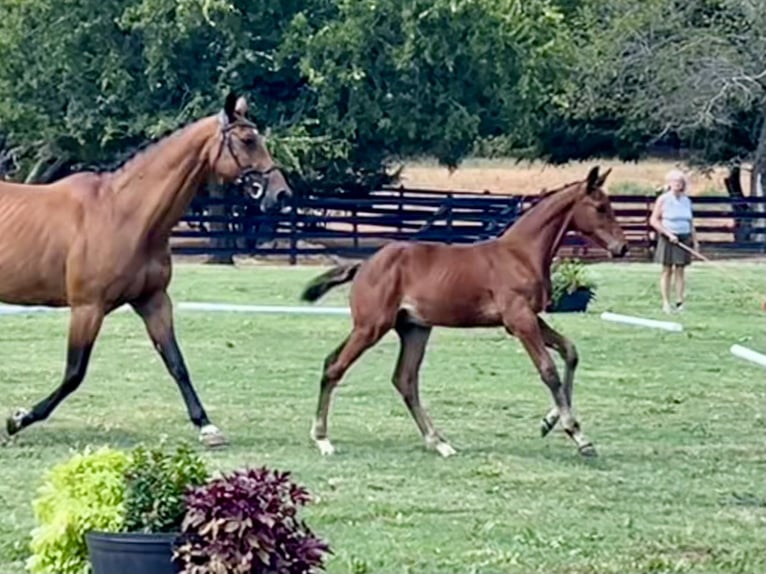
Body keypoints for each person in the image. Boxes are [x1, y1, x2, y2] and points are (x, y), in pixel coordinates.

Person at [649, 168, 699, 313]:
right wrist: (668, 234)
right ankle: (666, 303)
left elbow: (691, 222)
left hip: (684, 237)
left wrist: (695, 241)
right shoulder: (663, 199)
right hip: (668, 238)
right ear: (669, 183)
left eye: (680, 182)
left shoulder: (686, 200)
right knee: (667, 270)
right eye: (675, 181)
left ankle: (680, 302)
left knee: (680, 270)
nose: (678, 184)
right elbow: (654, 220)